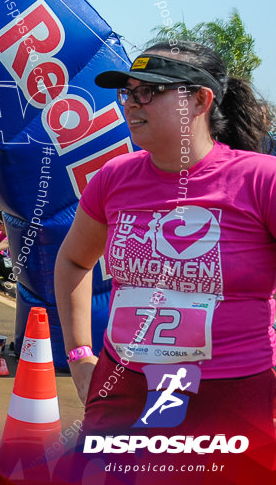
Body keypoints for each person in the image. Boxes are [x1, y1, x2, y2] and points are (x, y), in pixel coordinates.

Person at [55, 41, 276, 464]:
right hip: (124, 386)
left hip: (229, 393)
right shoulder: (114, 178)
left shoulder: (261, 180)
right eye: (127, 91)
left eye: (148, 91)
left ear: (200, 99)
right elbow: (73, 261)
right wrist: (81, 355)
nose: (131, 104)